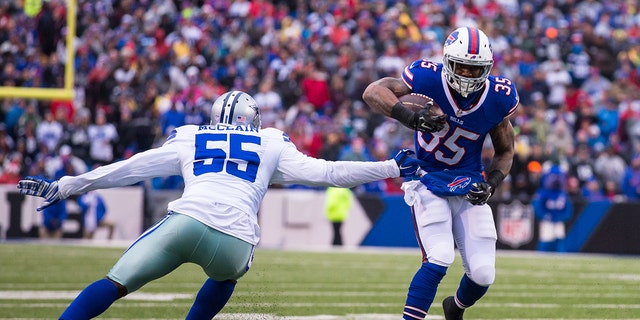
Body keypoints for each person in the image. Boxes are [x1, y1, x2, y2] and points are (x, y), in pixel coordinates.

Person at [17, 90, 422, 320]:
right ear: (254, 119)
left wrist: (67, 186)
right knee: (226, 276)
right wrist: (389, 166)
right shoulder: (270, 142)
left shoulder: (190, 135)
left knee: (114, 283)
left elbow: (130, 168)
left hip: (185, 221)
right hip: (234, 240)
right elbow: (329, 173)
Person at [362, 26, 519, 320]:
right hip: (427, 177)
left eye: (476, 70)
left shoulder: (499, 97)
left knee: (484, 274)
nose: (468, 76)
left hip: (470, 181)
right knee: (439, 257)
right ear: (447, 61)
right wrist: (410, 117)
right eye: (462, 67)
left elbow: (506, 151)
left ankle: (455, 309)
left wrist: (493, 184)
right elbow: (373, 91)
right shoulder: (427, 78)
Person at [532, 164, 573, 252]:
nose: (556, 179)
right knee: (545, 239)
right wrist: (545, 216)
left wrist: (561, 217)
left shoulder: (563, 194)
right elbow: (537, 207)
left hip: (558, 221)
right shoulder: (542, 193)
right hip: (547, 221)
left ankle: (561, 258)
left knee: (560, 239)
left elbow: (568, 209)